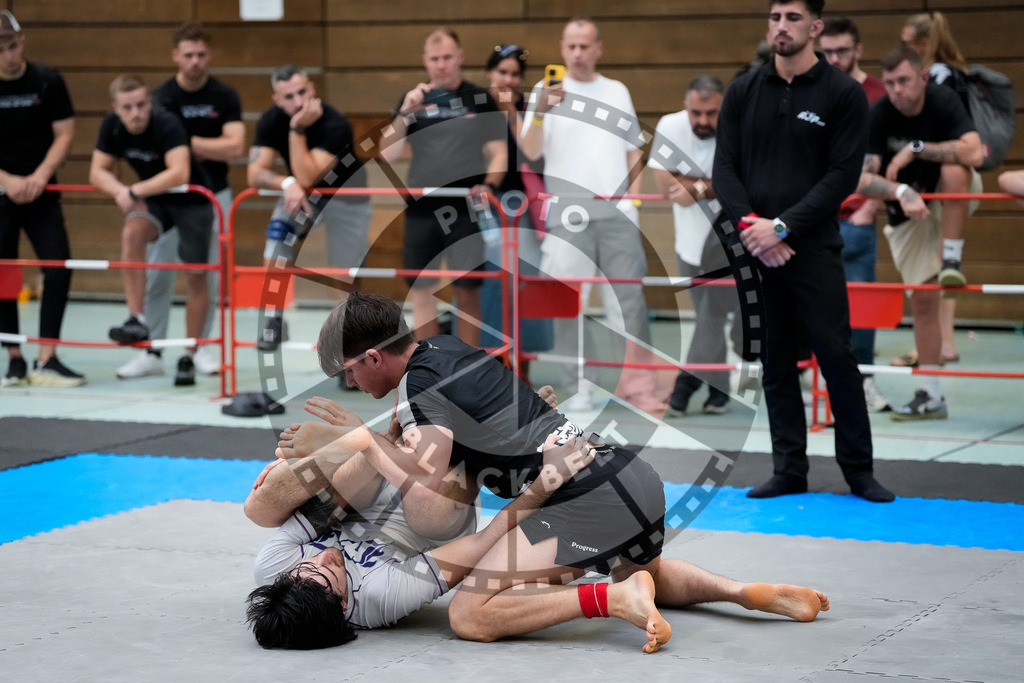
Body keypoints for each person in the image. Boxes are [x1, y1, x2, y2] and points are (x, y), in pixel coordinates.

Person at [305, 291, 829, 653]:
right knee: (638, 569)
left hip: (583, 498)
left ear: (373, 357)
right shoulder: (447, 345)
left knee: (469, 615)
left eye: (348, 372)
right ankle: (742, 591)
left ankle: (614, 599)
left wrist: (362, 439)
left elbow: (427, 475)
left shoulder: (418, 387)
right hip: (630, 475)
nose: (349, 384)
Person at [712, 0, 895, 502]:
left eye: (792, 18)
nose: (781, 26)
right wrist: (754, 230)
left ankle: (859, 471)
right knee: (774, 362)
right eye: (775, 17)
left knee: (836, 356)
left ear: (814, 27)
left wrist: (783, 228)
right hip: (756, 247)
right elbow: (723, 168)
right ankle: (789, 470)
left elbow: (842, 175)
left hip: (812, 248)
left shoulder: (842, 93)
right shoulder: (744, 89)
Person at [519, 17, 663, 415]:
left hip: (616, 211)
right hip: (567, 210)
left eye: (585, 46)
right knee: (568, 304)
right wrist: (540, 112)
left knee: (629, 303)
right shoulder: (544, 91)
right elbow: (530, 151)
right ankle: (579, 387)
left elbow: (633, 149)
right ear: (562, 48)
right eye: (571, 46)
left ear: (598, 48)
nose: (578, 53)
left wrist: (633, 202)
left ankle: (639, 388)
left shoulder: (616, 90)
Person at [855, 46, 983, 421]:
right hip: (907, 212)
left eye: (904, 81)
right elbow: (862, 178)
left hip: (948, 197)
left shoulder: (943, 101)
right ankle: (931, 396)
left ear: (922, 78)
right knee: (924, 301)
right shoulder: (879, 114)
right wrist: (900, 191)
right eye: (890, 82)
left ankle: (951, 259)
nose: (897, 90)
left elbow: (974, 153)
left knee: (956, 168)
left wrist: (916, 149)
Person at [116, 22, 244, 384]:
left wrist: (182, 144)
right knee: (158, 274)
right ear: (175, 55)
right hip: (166, 200)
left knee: (205, 275)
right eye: (188, 54)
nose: (195, 61)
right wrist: (201, 146)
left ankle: (196, 348)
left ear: (209, 55)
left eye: (201, 54)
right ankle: (150, 349)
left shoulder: (225, 95)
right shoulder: (159, 98)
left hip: (212, 195)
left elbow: (235, 147)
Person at [379, 28, 506, 347]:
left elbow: (499, 152)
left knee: (468, 289)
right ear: (425, 61)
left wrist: (489, 185)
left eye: (447, 57)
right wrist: (406, 112)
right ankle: (429, 366)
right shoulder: (413, 99)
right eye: (435, 59)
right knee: (422, 289)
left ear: (460, 57)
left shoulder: (479, 98)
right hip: (422, 209)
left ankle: (469, 366)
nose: (441, 64)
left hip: (466, 208)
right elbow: (386, 154)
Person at [89, 74, 213, 386]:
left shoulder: (167, 123)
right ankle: (137, 320)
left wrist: (133, 191)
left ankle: (191, 353)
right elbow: (97, 171)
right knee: (132, 233)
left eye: (141, 104)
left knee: (197, 276)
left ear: (149, 102)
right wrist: (120, 190)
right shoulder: (111, 126)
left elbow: (179, 172)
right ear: (116, 109)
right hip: (155, 201)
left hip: (192, 201)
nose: (136, 113)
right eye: (128, 107)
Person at [247, 64, 372, 352]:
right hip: (303, 197)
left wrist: (297, 128)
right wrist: (285, 181)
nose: (298, 101)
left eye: (302, 92)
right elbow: (254, 174)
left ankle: (347, 340)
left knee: (345, 273)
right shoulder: (270, 120)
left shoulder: (335, 124)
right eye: (289, 97)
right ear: (276, 100)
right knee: (277, 234)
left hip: (348, 199)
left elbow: (308, 176)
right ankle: (274, 320)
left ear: (313, 89)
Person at [891, 11, 980, 368]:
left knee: (936, 263)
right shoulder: (957, 73)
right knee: (946, 265)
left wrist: (914, 150)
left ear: (924, 45)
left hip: (943, 179)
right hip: (948, 179)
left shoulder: (938, 78)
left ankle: (934, 345)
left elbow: (950, 138)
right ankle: (944, 342)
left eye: (907, 44)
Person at [0, 10, 84, 388]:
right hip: (2, 192)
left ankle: (47, 356)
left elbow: (65, 134)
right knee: (4, 274)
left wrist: (39, 176)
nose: (8, 56)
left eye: (12, 46)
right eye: (1, 50)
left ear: (22, 43)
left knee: (58, 267)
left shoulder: (47, 80)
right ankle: (14, 358)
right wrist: (7, 180)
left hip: (42, 191)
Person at [648, 75, 741, 417]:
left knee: (710, 318)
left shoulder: (737, 126)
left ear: (723, 108)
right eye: (696, 113)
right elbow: (664, 185)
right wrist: (712, 185)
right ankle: (719, 391)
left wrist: (698, 188)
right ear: (685, 106)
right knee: (707, 319)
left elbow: (741, 183)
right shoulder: (670, 125)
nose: (703, 121)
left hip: (729, 244)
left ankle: (683, 389)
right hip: (687, 243)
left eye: (711, 113)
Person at [818, 16, 891, 413]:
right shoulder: (814, 90)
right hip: (814, 216)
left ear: (858, 49)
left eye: (842, 51)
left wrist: (871, 206)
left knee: (862, 302)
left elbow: (892, 156)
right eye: (827, 52)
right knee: (811, 303)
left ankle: (865, 381)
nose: (834, 58)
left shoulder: (879, 94)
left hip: (857, 216)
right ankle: (815, 383)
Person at [477, 43, 552, 380]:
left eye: (514, 74)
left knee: (526, 284)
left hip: (523, 207)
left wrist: (512, 114)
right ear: (490, 73)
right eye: (502, 72)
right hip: (483, 206)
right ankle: (493, 364)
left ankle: (524, 365)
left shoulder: (528, 109)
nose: (507, 80)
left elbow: (535, 155)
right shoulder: (476, 105)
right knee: (491, 286)